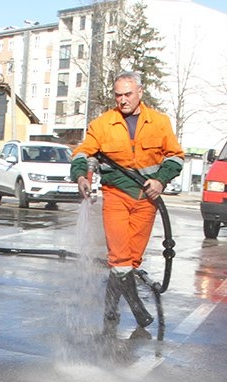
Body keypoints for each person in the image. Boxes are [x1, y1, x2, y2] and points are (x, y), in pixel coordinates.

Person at [70, 71, 184, 330]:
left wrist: (160, 181)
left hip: (147, 199)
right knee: (120, 257)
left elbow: (175, 157)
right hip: (116, 195)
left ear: (140, 93)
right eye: (118, 95)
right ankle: (138, 311)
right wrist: (81, 176)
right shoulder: (103, 124)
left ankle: (110, 312)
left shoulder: (159, 122)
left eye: (128, 94)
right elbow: (83, 152)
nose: (123, 100)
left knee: (132, 260)